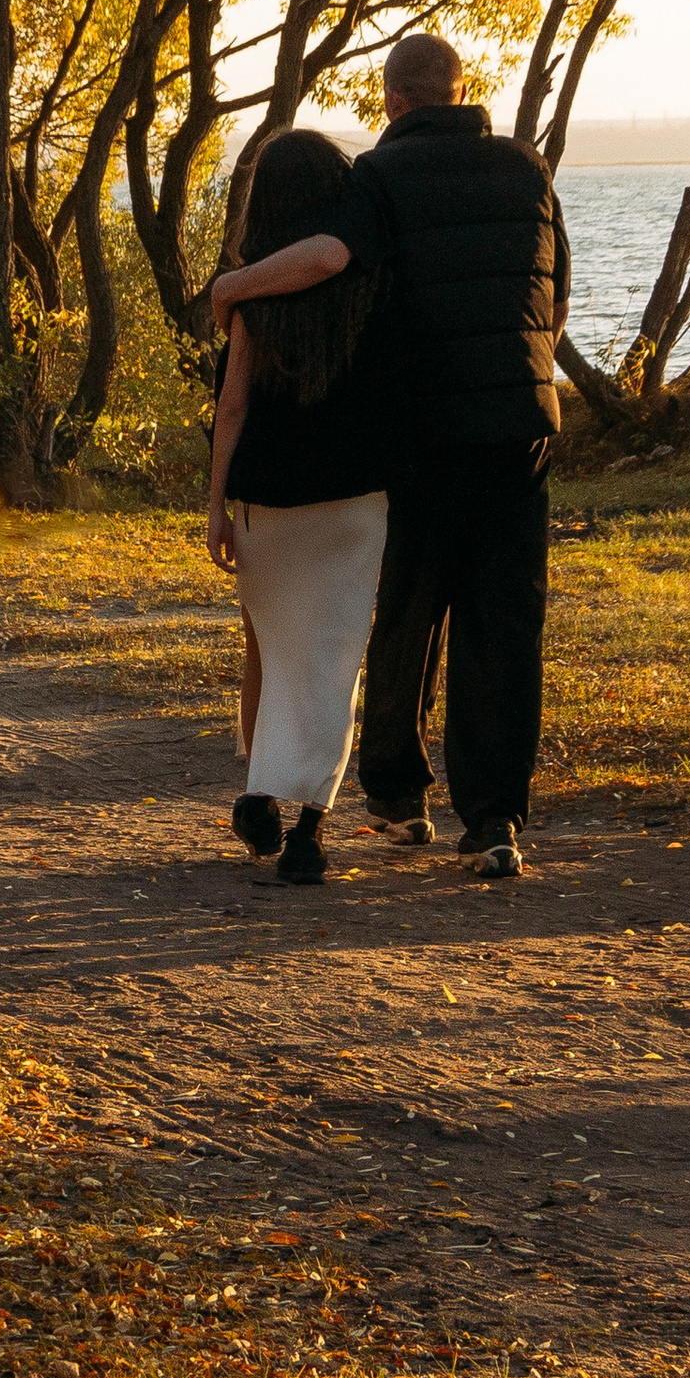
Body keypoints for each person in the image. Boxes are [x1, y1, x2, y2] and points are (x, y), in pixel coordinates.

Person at [210, 31, 568, 882]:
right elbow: (556, 301)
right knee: (506, 621)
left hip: (422, 430)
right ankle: (493, 820)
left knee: (408, 606)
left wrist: (233, 287)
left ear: (394, 101)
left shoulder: (377, 176)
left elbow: (330, 260)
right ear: (457, 91)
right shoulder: (529, 169)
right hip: (521, 417)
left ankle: (399, 794)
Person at [202, 123, 395, 886]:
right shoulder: (375, 284)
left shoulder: (253, 298)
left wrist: (215, 504)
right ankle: (312, 828)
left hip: (268, 502)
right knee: (333, 661)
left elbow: (233, 409)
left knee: (274, 653)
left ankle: (261, 795)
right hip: (355, 498)